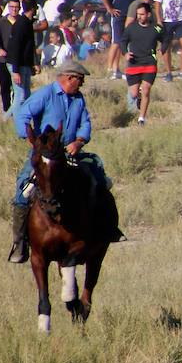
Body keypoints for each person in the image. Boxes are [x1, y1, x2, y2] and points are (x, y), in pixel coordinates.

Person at [9, 59, 121, 263]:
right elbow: (22, 115)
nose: (82, 84)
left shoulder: (78, 99)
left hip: (71, 155)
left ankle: (106, 229)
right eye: (80, 80)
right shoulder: (45, 94)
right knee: (23, 190)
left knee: (99, 181)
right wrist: (33, 142)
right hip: (46, 157)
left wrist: (78, 141)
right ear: (70, 78)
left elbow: (85, 122)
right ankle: (20, 243)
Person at [0, 0, 37, 115]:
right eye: (12, 7)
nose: (14, 9)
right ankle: (9, 119)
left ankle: (20, 119)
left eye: (16, 7)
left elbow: (29, 47)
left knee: (25, 95)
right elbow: (14, 47)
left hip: (22, 63)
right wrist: (15, 70)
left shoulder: (25, 22)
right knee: (17, 94)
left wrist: (33, 63)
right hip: (11, 61)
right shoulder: (16, 24)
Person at [121, 2, 161, 125]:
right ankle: (138, 98)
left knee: (146, 90)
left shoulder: (156, 28)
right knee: (133, 93)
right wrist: (126, 53)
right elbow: (123, 41)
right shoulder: (131, 28)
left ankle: (141, 118)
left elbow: (166, 39)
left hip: (149, 63)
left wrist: (163, 49)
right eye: (138, 14)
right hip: (134, 63)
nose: (139, 16)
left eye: (142, 14)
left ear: (148, 15)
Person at [100, 0, 136, 79]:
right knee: (116, 41)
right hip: (117, 14)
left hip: (127, 14)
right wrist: (109, 8)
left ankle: (117, 69)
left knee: (122, 42)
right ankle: (110, 69)